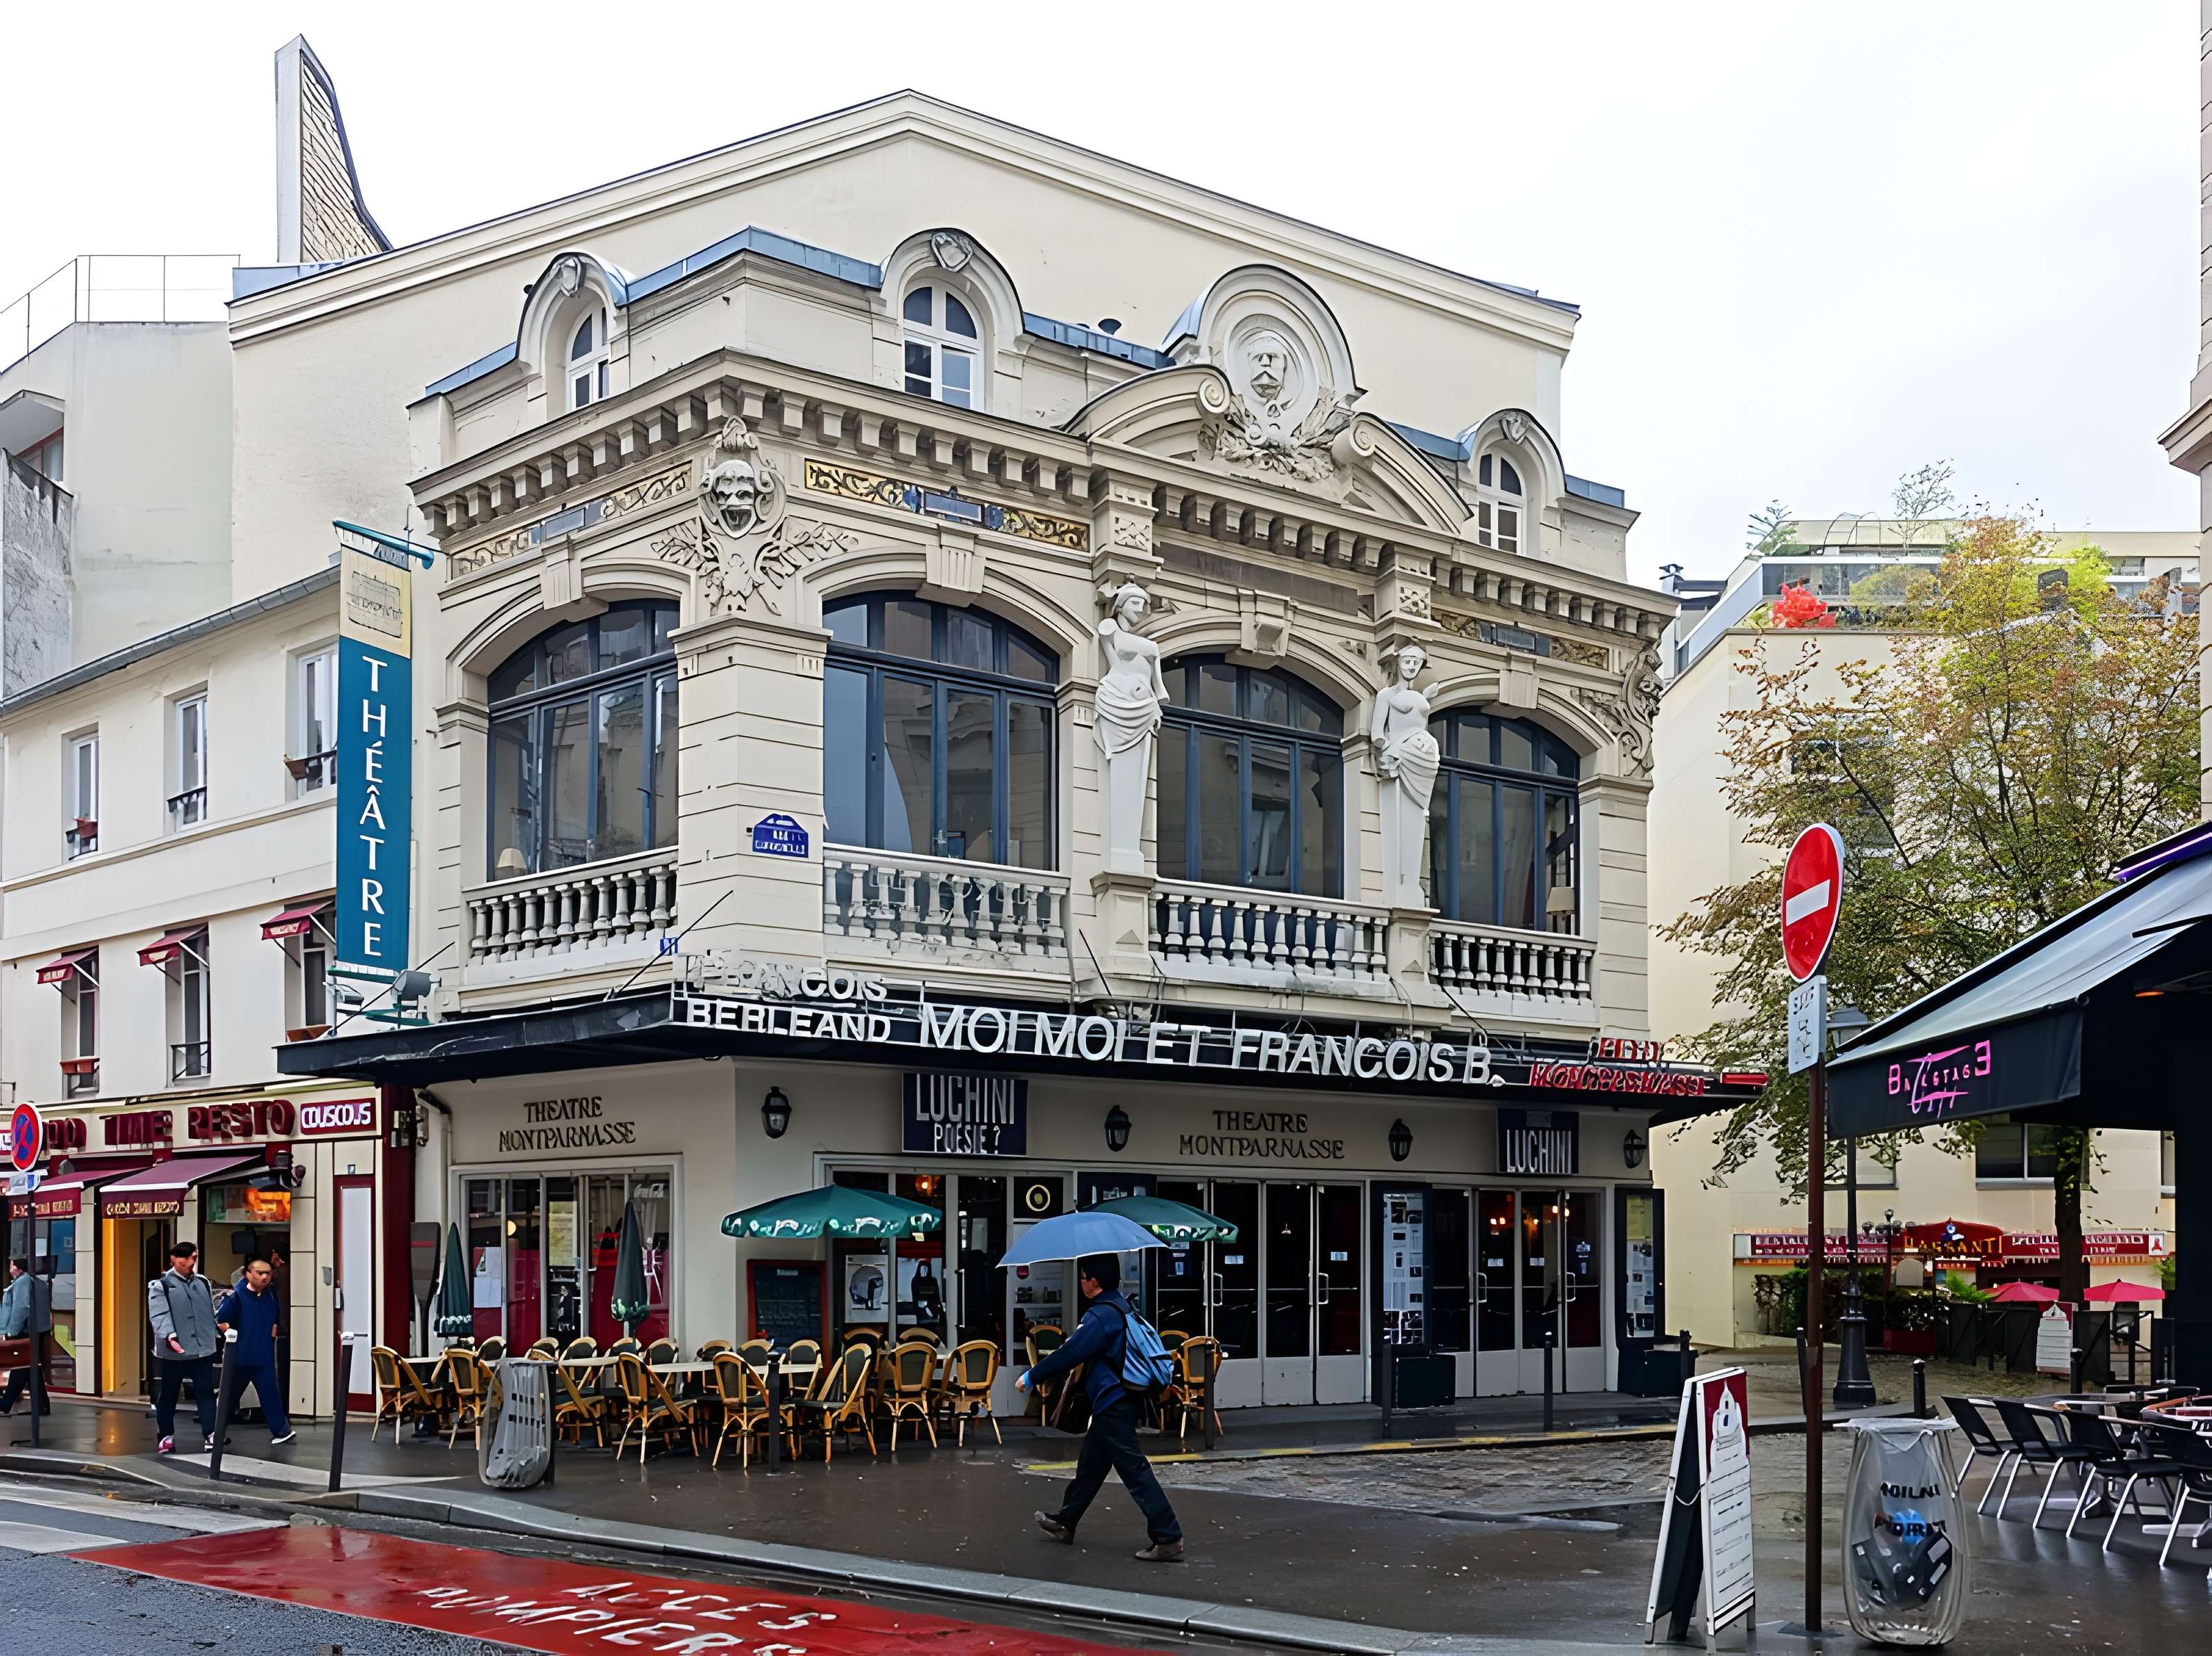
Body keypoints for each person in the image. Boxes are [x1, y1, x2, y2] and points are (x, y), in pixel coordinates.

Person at [1019, 1253, 1184, 1562]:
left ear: (1093, 1282)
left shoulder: (1101, 1315)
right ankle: (1066, 1521)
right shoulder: (1122, 1306)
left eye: (1083, 1276)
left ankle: (1168, 1535)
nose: (1081, 1281)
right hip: (1120, 1399)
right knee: (1091, 1466)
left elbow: (1071, 1352)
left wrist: (1032, 1375)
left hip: (1113, 1401)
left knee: (1133, 1469)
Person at [147, 1240, 221, 1454]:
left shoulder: (202, 1282)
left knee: (206, 1392)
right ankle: (165, 1436)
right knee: (169, 1394)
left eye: (193, 1258)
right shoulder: (160, 1285)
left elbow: (209, 1311)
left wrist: (218, 1329)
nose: (190, 1263)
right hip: (174, 1352)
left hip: (202, 1348)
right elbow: (159, 1315)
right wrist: (170, 1337)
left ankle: (211, 1434)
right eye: (184, 1260)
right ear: (173, 1260)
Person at [215, 1257, 294, 1447]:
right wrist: (231, 1336)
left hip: (263, 1356)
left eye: (268, 1273)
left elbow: (274, 1320)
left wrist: (273, 1333)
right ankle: (215, 1433)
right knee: (229, 1398)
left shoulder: (271, 1295)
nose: (265, 1277)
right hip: (239, 1358)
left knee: (270, 1394)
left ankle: (281, 1431)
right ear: (248, 1274)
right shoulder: (236, 1297)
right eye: (260, 1273)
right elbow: (221, 1321)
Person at [0, 1257, 48, 1416]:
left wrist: (11, 1332)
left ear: (17, 1266)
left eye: (11, 1263)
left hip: (25, 1331)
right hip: (34, 1330)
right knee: (31, 1368)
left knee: (21, 1366)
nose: (9, 1267)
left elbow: (20, 1309)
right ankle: (42, 1406)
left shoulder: (22, 1282)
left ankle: (6, 1403)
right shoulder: (30, 1281)